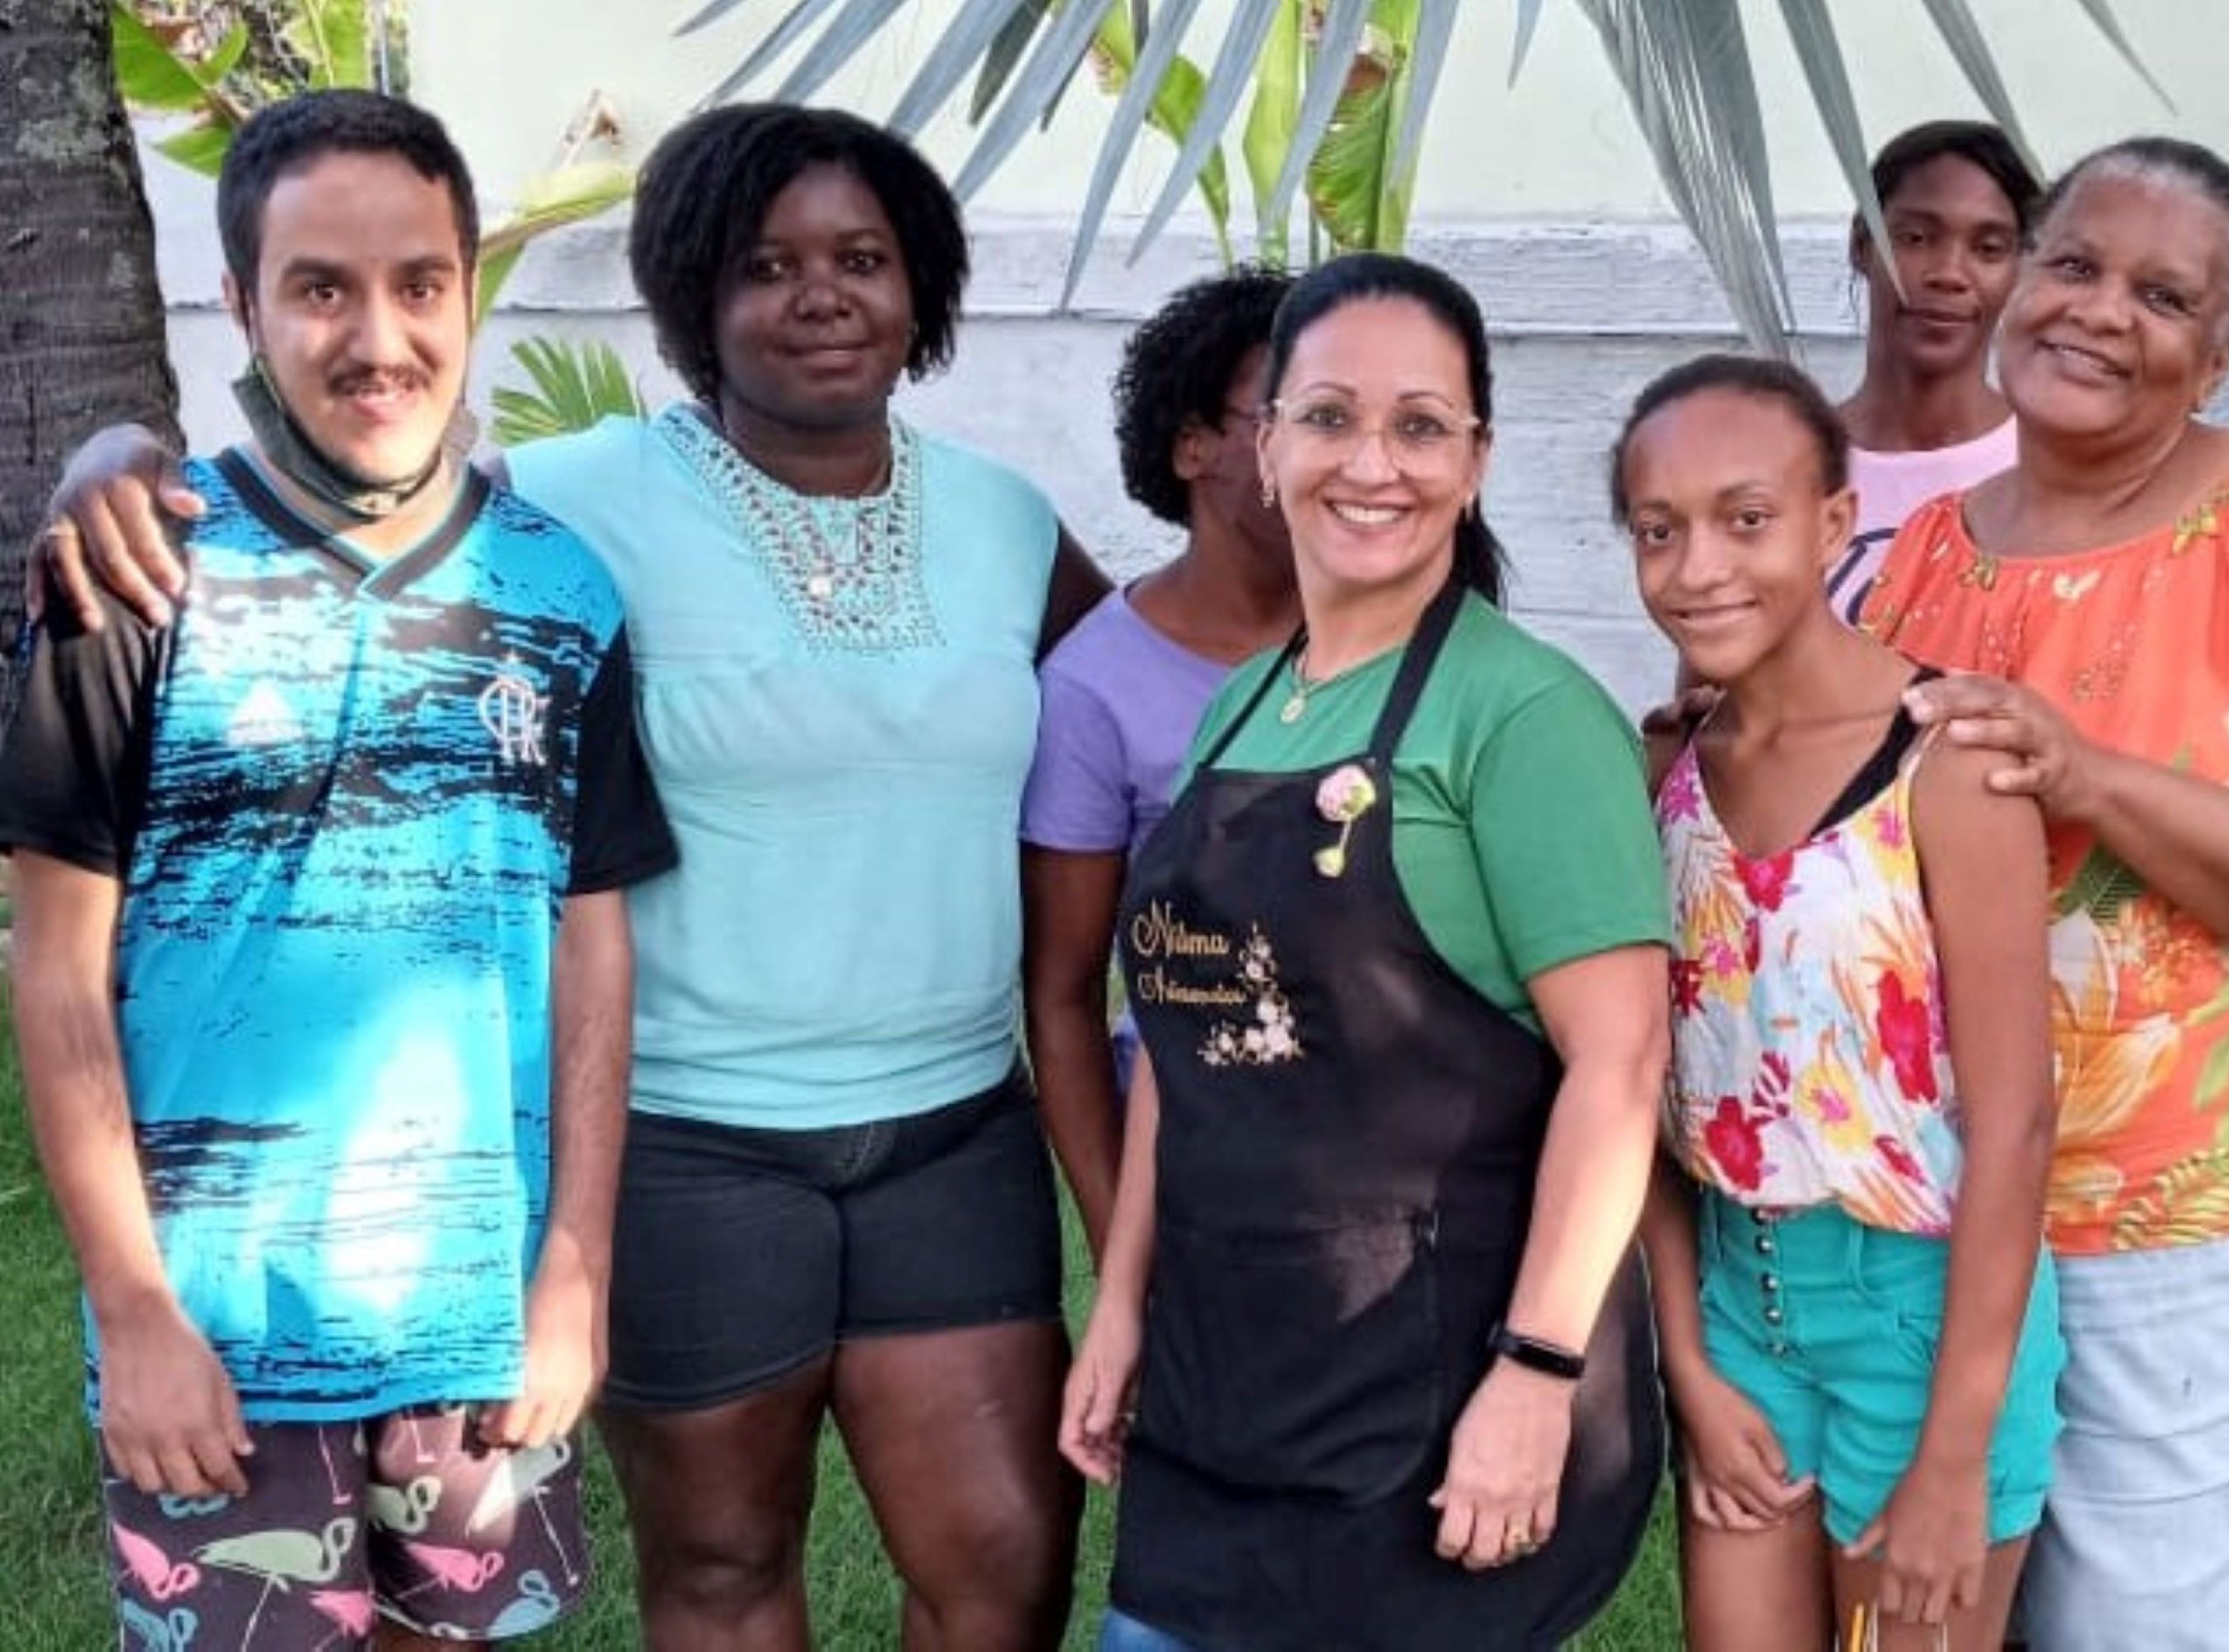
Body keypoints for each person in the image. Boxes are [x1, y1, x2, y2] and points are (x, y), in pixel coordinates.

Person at [37, 102, 1109, 1652]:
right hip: (687, 1140)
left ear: (922, 282)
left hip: (946, 1131)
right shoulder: (573, 504)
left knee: (1006, 1554)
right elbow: (364, 490)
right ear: (692, 292)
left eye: (863, 259)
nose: (820, 295)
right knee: (724, 1556)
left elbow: (1150, 683)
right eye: (765, 266)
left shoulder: (1001, 522)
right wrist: (114, 458)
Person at [0, 90, 672, 1647]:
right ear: (241, 304)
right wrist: (135, 1307)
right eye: (320, 288)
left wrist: (574, 1268)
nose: (380, 338)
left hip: (475, 1322)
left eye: (419, 282)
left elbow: (590, 945)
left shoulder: (563, 593)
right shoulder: (135, 581)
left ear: (467, 290)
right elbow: (57, 967)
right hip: (220, 1332)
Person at [1863, 136, 2229, 1652]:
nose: (2099, 310)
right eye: (2071, 264)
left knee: (2127, 1616)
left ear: (2217, 354)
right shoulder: (1926, 556)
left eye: (2162, 296)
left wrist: (2090, 776)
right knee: (1944, 1600)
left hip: (2156, 1203)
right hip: (1934, 1193)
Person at [1059, 253, 1672, 1651]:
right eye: (1328, 417)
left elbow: (1619, 1065)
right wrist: (1121, 1305)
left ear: (1475, 460)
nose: (1371, 464)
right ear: (1266, 446)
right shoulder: (1237, 709)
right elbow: (1187, 1046)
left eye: (1419, 425)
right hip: (1218, 1393)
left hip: (1430, 1403)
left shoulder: (1523, 718)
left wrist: (1536, 1371)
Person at [1613, 355, 2062, 1652]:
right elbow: (1631, 1086)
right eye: (1658, 529)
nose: (1699, 567)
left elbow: (2017, 1125)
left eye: (1746, 519)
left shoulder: (1947, 769)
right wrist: (1687, 1362)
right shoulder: (1664, 771)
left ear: (1832, 523)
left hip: (1920, 1321)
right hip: (1738, 1306)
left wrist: (1955, 1456)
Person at [1020, 264, 1297, 1258]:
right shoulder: (1095, 688)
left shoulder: (1410, 646)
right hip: (1200, 1169)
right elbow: (1063, 996)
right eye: (1294, 417)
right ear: (1192, 446)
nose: (1340, 454)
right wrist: (1119, 1247)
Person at [1827, 121, 2040, 625]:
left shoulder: (2052, 469)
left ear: (2021, 270)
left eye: (1989, 249)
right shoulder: (1786, 462)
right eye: (1917, 238)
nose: (1948, 273)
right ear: (1861, 244)